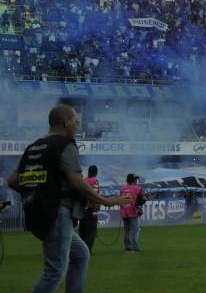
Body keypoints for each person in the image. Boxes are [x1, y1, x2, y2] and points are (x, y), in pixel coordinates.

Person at [8, 104, 130, 293]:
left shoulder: (33, 147)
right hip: (57, 213)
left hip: (37, 213)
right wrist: (106, 201)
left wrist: (36, 192)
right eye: (75, 121)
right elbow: (76, 182)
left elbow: (13, 180)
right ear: (65, 123)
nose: (78, 125)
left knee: (81, 254)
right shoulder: (65, 144)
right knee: (54, 271)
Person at [120, 174, 145, 253]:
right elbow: (143, 199)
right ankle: (135, 247)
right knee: (135, 230)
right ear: (134, 180)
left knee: (126, 230)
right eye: (135, 179)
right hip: (133, 211)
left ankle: (127, 247)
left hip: (124, 211)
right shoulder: (137, 188)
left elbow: (123, 199)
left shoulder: (122, 189)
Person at [78, 166, 99, 252]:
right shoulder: (95, 181)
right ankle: (87, 250)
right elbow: (93, 196)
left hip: (82, 209)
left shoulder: (84, 180)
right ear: (96, 172)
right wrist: (94, 211)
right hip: (91, 209)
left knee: (83, 230)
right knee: (91, 230)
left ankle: (81, 249)